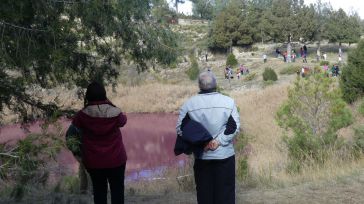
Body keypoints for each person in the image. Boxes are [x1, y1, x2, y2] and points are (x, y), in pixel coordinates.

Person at [176, 72, 240, 204]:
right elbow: (234, 127)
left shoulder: (189, 104)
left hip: (202, 157)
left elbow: (181, 129)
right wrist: (218, 142)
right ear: (215, 84)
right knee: (226, 195)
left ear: (199, 85)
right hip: (225, 156)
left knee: (205, 196)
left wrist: (202, 143)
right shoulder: (228, 102)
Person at [70, 82, 127, 204]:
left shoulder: (81, 115)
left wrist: (78, 154)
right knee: (118, 193)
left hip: (94, 161)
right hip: (116, 159)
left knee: (99, 193)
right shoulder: (115, 112)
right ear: (104, 94)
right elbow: (123, 121)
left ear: (87, 96)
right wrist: (109, 103)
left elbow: (71, 134)